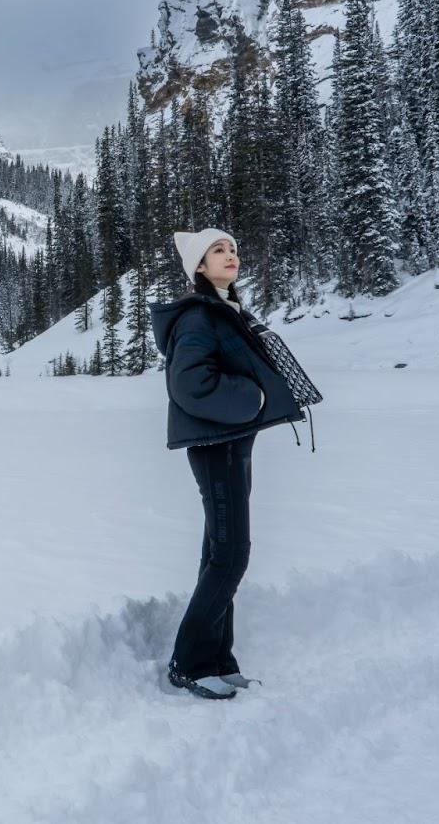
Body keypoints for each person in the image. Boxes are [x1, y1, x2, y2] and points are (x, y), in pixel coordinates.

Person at [148, 228, 307, 701]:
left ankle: (218, 657)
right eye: (218, 250)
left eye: (233, 248)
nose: (230, 256)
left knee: (218, 552)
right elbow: (190, 385)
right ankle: (189, 663)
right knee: (232, 554)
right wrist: (252, 397)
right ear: (200, 266)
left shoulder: (224, 309)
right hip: (217, 446)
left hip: (233, 442)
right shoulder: (198, 315)